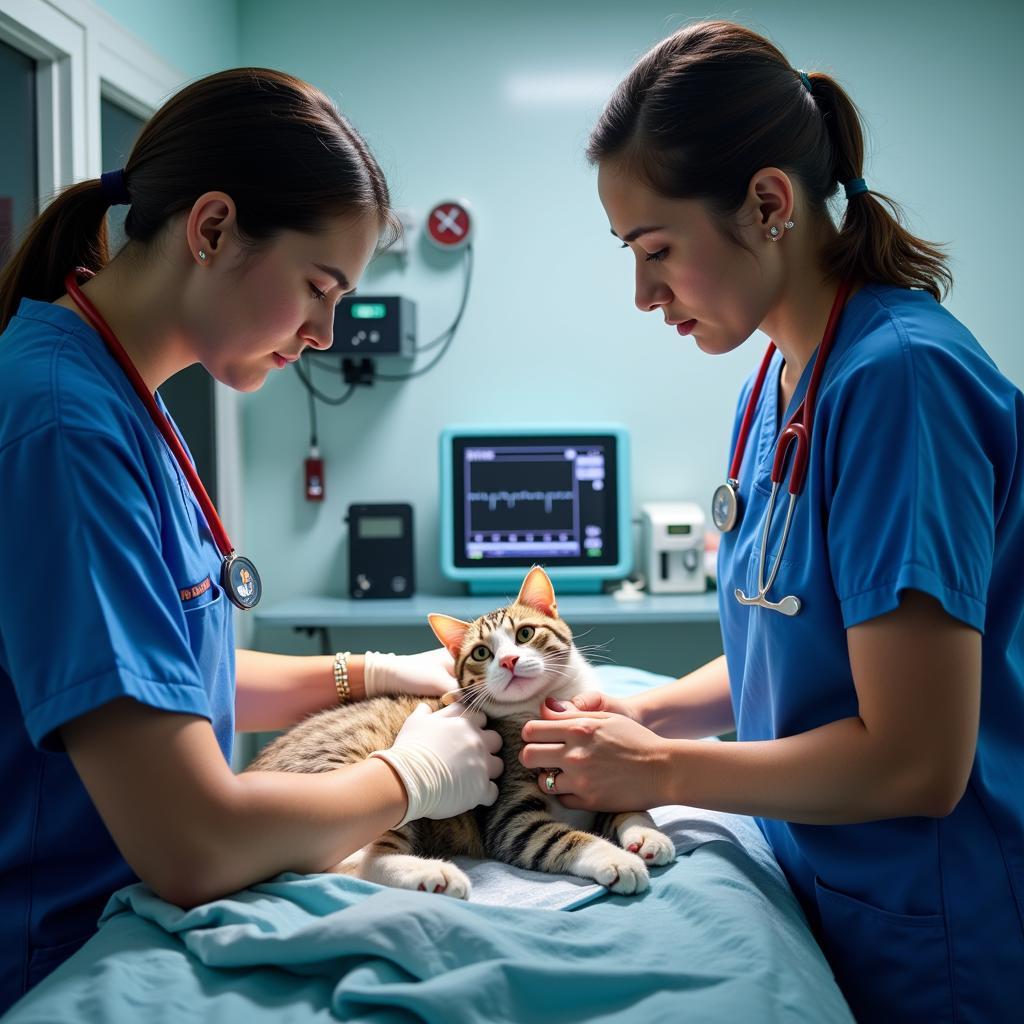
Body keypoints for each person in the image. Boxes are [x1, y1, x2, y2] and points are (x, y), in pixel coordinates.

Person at [520, 20, 1024, 1023]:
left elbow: (918, 762)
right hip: (823, 882)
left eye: (655, 249)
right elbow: (791, 642)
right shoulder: (783, 373)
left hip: (930, 923)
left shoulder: (901, 382)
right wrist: (650, 715)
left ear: (766, 204)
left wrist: (658, 766)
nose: (641, 292)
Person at [0, 67, 503, 1015]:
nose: (326, 331)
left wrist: (374, 672)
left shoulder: (124, 396)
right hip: (59, 960)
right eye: (320, 286)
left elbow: (162, 680)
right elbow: (194, 843)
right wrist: (409, 778)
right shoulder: (64, 426)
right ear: (214, 228)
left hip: (127, 925)